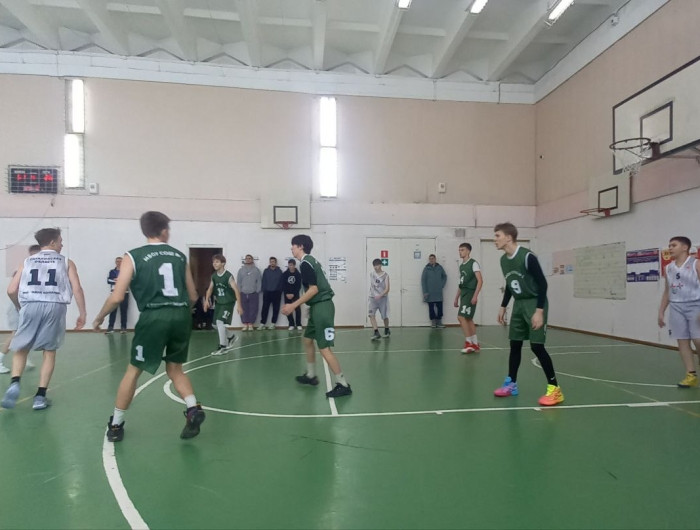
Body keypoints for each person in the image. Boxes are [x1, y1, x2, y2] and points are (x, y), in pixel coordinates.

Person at [92, 211, 205, 442]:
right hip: (181, 314)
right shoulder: (179, 256)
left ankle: (116, 425)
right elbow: (193, 295)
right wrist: (179, 312)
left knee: (134, 370)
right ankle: (193, 408)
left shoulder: (132, 256)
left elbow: (117, 296)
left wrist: (99, 317)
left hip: (153, 316)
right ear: (163, 230)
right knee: (175, 369)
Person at [1, 229, 87, 410]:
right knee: (49, 351)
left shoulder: (26, 261)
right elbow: (77, 288)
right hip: (54, 306)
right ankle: (40, 397)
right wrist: (82, 313)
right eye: (60, 241)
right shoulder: (66, 262)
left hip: (30, 304)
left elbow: (11, 290)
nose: (62, 244)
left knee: (21, 348)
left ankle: (15, 382)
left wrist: (19, 306)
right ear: (53, 242)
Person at [492, 222, 564, 406]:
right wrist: (503, 306)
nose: (495, 240)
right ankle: (511, 384)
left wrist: (539, 311)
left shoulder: (527, 256)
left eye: (497, 236)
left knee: (537, 347)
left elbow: (543, 284)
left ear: (509, 237)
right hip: (519, 303)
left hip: (534, 302)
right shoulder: (503, 260)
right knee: (515, 344)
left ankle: (555, 389)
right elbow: (510, 283)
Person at [281, 234, 352, 398]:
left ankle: (343, 384)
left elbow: (314, 289)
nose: (291, 248)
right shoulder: (309, 262)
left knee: (324, 348)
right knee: (307, 340)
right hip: (317, 307)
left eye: (293, 245)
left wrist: (293, 305)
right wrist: (310, 306)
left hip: (323, 308)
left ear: (300, 246)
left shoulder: (306, 263)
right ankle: (311, 375)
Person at [658, 236, 700, 387]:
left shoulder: (696, 264)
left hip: (696, 305)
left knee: (698, 340)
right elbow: (667, 291)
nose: (670, 248)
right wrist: (661, 311)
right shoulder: (668, 268)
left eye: (673, 245)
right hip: (676, 307)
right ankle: (691, 375)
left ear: (684, 247)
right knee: (682, 341)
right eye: (669, 245)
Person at [1, 244, 41, 374]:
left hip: (27, 306)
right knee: (16, 334)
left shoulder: (39, 270)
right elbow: (13, 290)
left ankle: (23, 356)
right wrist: (19, 306)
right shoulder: (22, 269)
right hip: (17, 306)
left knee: (26, 334)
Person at [204, 254, 242, 355]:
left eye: (217, 262)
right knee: (214, 325)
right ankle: (231, 337)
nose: (214, 264)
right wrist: (206, 300)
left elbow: (236, 290)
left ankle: (223, 347)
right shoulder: (214, 276)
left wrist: (239, 305)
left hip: (228, 302)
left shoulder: (228, 276)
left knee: (219, 321)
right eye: (213, 262)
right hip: (219, 303)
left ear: (223, 263)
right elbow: (210, 288)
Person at [453, 243, 483, 353]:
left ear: (468, 251)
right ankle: (475, 344)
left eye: (462, 250)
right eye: (459, 250)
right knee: (468, 319)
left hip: (470, 293)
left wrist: (475, 295)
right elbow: (461, 284)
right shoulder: (461, 266)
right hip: (464, 294)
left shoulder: (473, 263)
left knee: (461, 317)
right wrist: (456, 298)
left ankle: (468, 343)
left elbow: (480, 281)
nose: (460, 252)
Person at [421, 254, 447, 328]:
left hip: (438, 291)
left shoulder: (440, 267)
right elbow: (423, 280)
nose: (431, 260)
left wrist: (442, 285)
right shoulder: (426, 269)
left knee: (440, 307)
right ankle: (433, 322)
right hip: (430, 292)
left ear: (435, 259)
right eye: (430, 259)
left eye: (432, 258)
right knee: (431, 308)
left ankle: (439, 322)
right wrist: (425, 291)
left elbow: (444, 276)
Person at [237, 254, 261, 331]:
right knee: (243, 309)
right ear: (245, 260)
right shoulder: (241, 270)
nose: (248, 260)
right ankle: (245, 324)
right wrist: (239, 291)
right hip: (243, 293)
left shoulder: (256, 270)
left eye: (250, 258)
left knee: (253, 309)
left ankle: (251, 324)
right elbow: (239, 282)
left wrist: (257, 291)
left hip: (253, 293)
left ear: (252, 260)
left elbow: (259, 281)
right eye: (247, 258)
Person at [368, 259, 390, 341]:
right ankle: (376, 332)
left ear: (380, 265)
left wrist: (380, 295)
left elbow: (387, 289)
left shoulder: (386, 275)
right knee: (371, 314)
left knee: (384, 316)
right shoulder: (371, 274)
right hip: (372, 298)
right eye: (374, 265)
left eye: (377, 265)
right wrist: (373, 295)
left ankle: (387, 329)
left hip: (382, 298)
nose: (375, 267)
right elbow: (373, 285)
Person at [106, 256, 129, 333]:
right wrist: (119, 281)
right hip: (114, 293)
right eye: (117, 261)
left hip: (124, 293)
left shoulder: (126, 271)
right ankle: (110, 327)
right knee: (112, 310)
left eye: (120, 261)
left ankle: (123, 328)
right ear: (115, 262)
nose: (119, 263)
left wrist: (117, 280)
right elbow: (109, 281)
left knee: (124, 311)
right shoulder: (112, 272)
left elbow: (128, 280)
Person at [259, 257, 283, 330]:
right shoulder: (266, 271)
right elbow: (263, 281)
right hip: (267, 292)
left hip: (276, 293)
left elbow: (281, 282)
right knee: (265, 308)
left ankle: (273, 323)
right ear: (270, 262)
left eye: (273, 262)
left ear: (276, 263)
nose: (272, 263)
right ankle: (262, 323)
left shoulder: (279, 271)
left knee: (276, 309)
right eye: (271, 261)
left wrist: (279, 291)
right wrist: (264, 290)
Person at [281, 259, 303, 330]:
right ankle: (291, 324)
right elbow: (283, 285)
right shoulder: (285, 274)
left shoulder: (298, 274)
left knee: (297, 309)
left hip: (295, 294)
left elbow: (298, 286)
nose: (290, 266)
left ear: (294, 265)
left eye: (291, 265)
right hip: (287, 294)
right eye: (289, 265)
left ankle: (298, 324)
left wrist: (293, 294)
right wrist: (287, 293)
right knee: (288, 309)